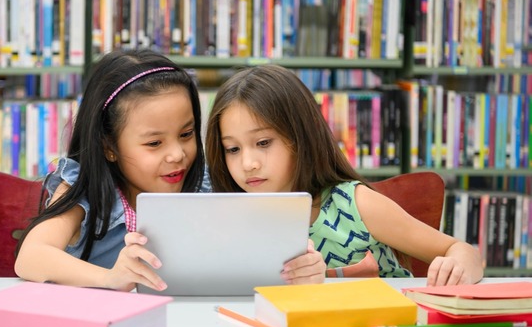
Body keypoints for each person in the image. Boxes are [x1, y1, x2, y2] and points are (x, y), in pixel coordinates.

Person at [204, 64, 484, 286]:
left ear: (301, 138)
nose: (248, 163)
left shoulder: (355, 204)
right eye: (232, 149)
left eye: (263, 143)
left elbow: (462, 251)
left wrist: (458, 268)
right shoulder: (233, 218)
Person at [15, 49, 208, 292]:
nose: (177, 154)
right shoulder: (84, 189)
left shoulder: (205, 183)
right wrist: (110, 278)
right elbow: (30, 256)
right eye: (154, 143)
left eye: (186, 134)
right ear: (109, 147)